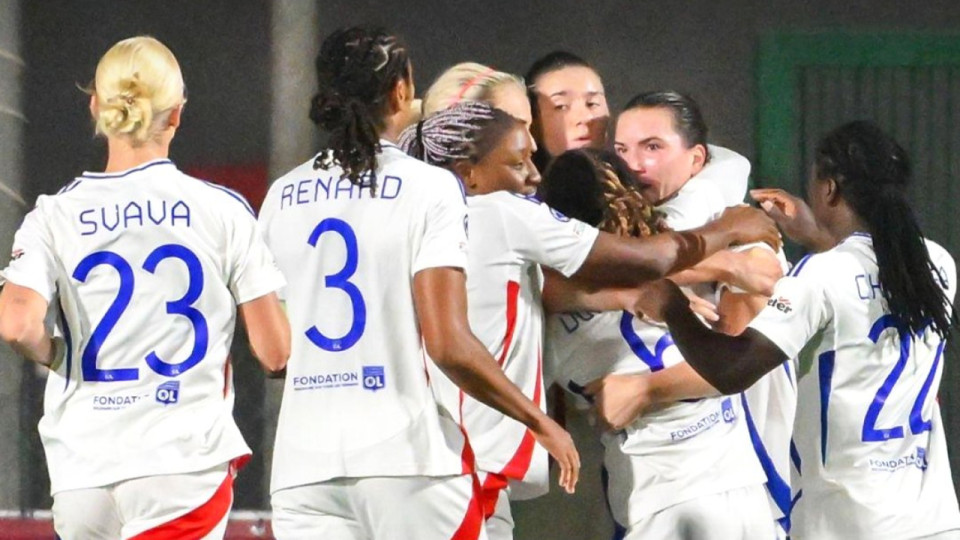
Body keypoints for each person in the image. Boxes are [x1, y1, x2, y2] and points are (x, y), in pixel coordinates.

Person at [399, 100, 781, 539]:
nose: (533, 177)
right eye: (518, 161)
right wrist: (725, 249)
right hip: (730, 481)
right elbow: (718, 179)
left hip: (649, 491)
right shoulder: (693, 215)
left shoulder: (541, 317)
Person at [261, 27, 582, 540]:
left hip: (303, 469)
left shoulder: (281, 195)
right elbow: (448, 343)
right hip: (408, 461)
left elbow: (275, 356)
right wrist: (538, 420)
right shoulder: (429, 186)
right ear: (399, 92)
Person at [0, 36, 290, 539]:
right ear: (176, 114)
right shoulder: (222, 210)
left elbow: (16, 325)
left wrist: (56, 356)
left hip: (82, 470)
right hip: (180, 465)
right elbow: (275, 352)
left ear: (96, 105)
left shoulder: (54, 214)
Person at [634, 121, 960, 539]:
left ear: (829, 190)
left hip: (847, 522)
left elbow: (732, 370)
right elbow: (866, 293)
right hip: (931, 521)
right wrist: (821, 237)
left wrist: (672, 307)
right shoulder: (937, 264)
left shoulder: (821, 274)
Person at [542, 142, 778, 540]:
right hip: (741, 487)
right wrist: (723, 249)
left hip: (656, 498)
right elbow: (732, 162)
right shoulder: (682, 233)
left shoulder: (542, 314)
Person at [525, 52, 749, 207]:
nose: (584, 118)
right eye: (561, 107)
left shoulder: (628, 177)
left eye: (593, 103)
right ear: (531, 119)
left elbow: (730, 163)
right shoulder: (521, 197)